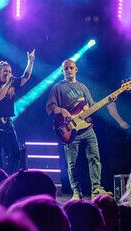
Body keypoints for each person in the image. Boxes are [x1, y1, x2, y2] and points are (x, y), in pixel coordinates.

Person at [46, 59, 126, 199]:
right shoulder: (57, 88)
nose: (69, 70)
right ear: (62, 71)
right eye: (66, 68)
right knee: (72, 163)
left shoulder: (83, 87)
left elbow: (92, 106)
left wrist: (108, 101)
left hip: (88, 129)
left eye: (71, 68)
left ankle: (96, 188)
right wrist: (62, 110)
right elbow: (50, 107)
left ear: (76, 69)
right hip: (70, 130)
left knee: (95, 158)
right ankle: (76, 192)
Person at [0, 51, 35, 173]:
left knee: (15, 153)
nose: (8, 74)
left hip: (7, 124)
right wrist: (8, 83)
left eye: (10, 71)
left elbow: (25, 77)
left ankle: (7, 179)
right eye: (5, 71)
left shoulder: (11, 85)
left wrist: (30, 62)